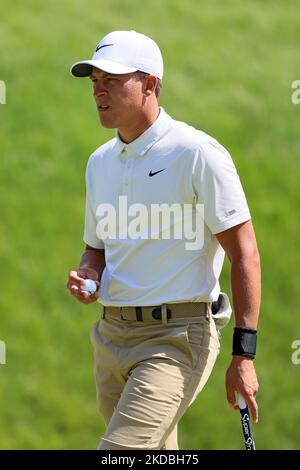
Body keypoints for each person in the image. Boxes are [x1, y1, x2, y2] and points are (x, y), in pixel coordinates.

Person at [67, 30, 261, 450]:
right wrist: (89, 274)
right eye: (95, 81)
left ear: (151, 84)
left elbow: (244, 252)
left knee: (119, 454)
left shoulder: (196, 154)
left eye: (113, 81)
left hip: (177, 339)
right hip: (111, 338)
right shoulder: (99, 163)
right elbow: (96, 247)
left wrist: (244, 355)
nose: (99, 92)